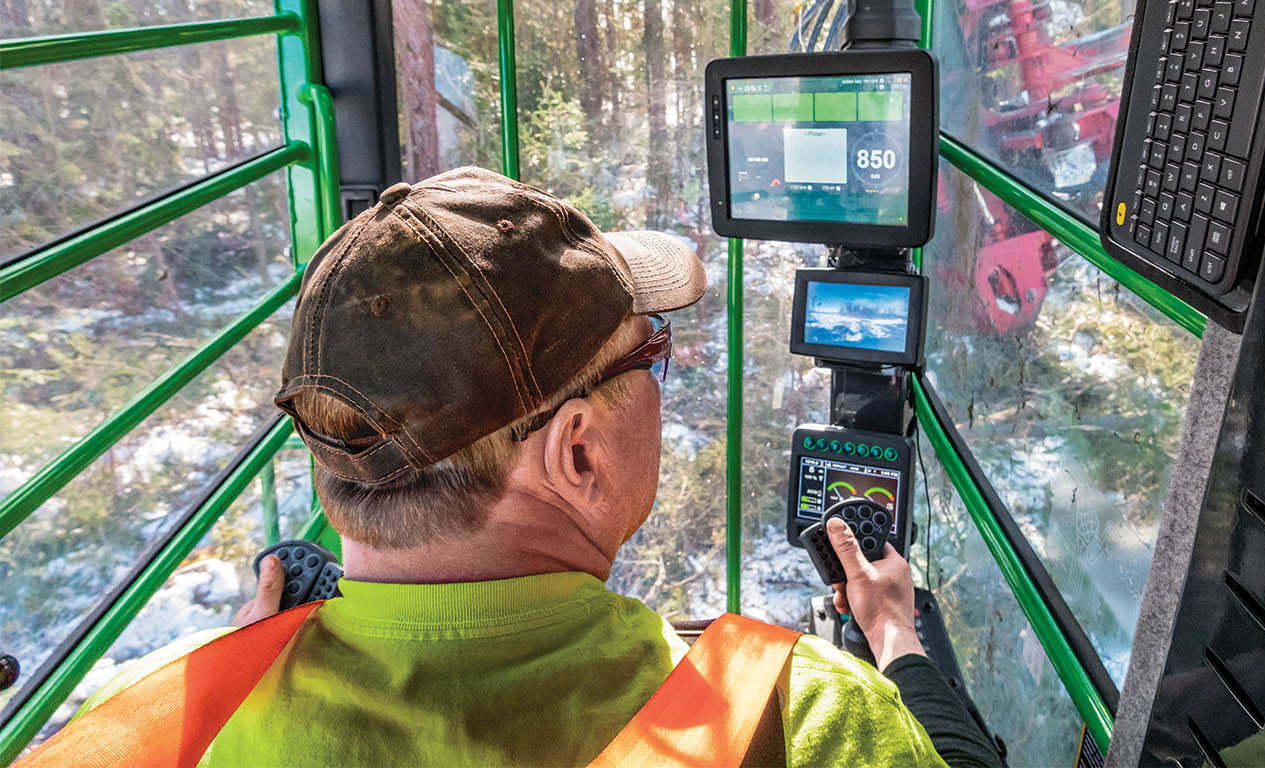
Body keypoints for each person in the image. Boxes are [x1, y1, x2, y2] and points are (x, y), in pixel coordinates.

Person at [70, 167, 1001, 767]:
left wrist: (243, 663)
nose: (664, 377)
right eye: (652, 356)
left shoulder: (157, 721)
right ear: (579, 450)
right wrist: (897, 642)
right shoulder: (803, 724)